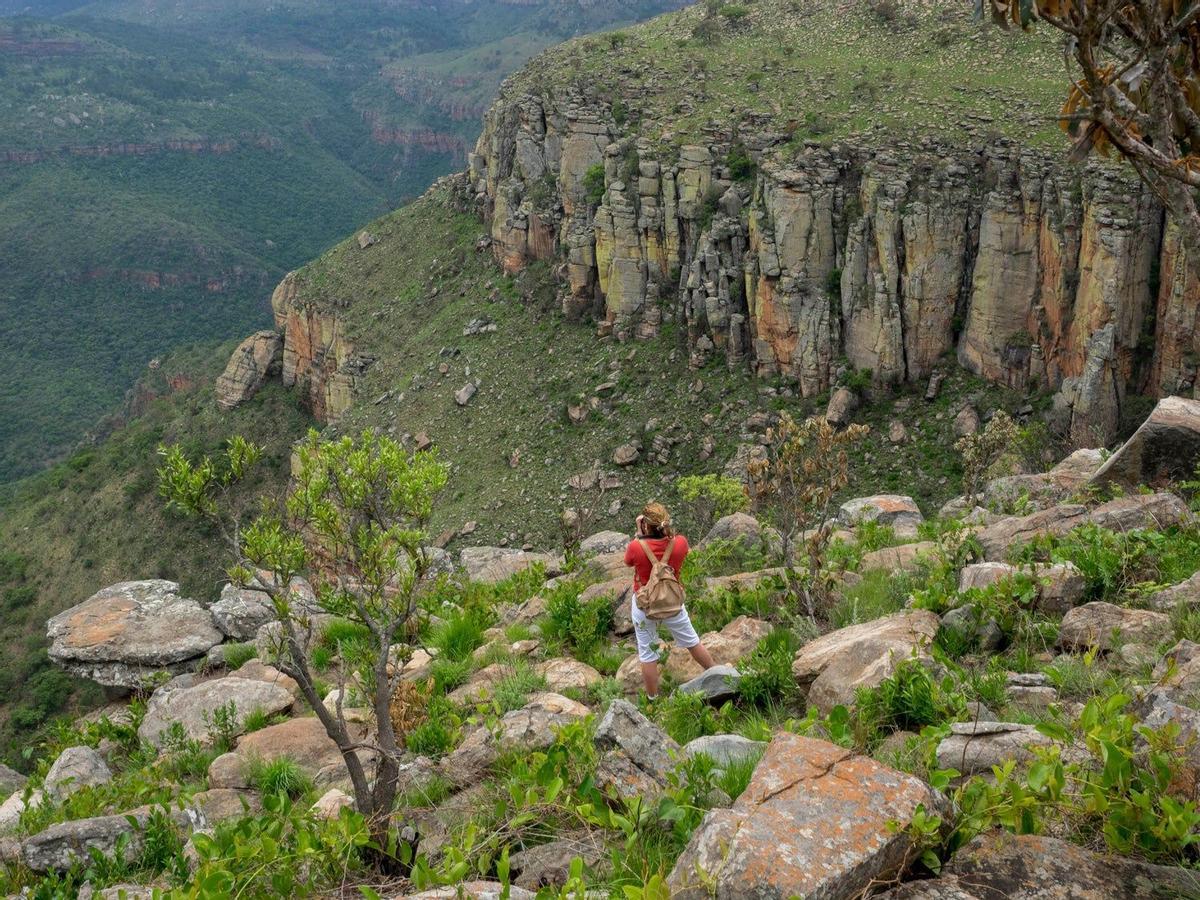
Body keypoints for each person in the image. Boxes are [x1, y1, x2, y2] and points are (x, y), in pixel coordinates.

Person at [624, 501, 716, 699]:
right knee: (692, 642)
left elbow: (628, 561)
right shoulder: (680, 542)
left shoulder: (636, 547)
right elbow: (682, 551)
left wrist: (639, 535)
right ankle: (717, 675)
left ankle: (653, 700)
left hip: (645, 605)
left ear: (646, 525)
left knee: (648, 654)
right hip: (673, 602)